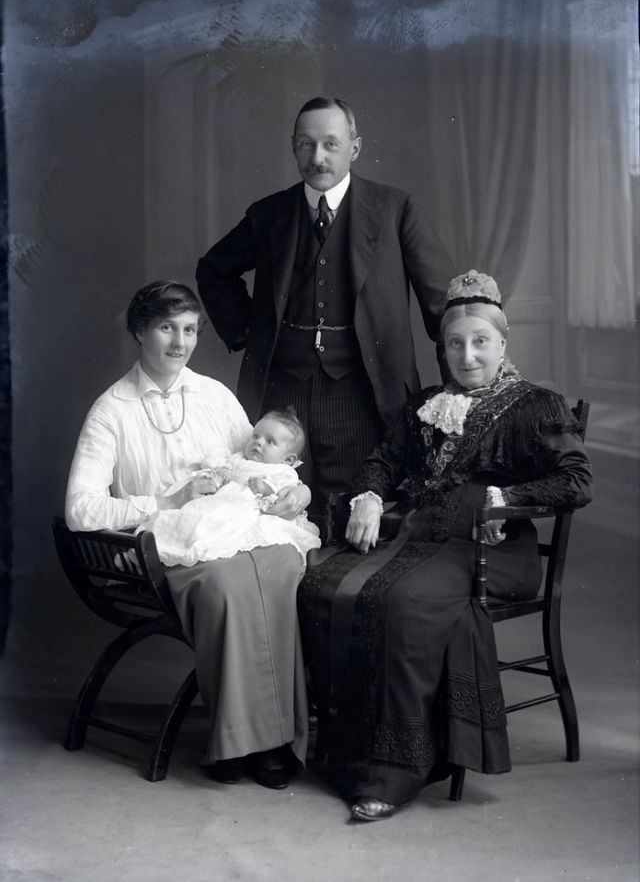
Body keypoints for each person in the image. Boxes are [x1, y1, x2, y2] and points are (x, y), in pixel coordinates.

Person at [297, 270, 593, 821]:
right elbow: (383, 462)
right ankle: (339, 752)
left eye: (481, 341)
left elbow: (576, 481)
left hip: (493, 548)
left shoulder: (538, 406)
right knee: (321, 583)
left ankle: (397, 767)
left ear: (503, 344)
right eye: (454, 343)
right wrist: (367, 495)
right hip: (420, 536)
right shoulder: (425, 405)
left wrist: (506, 496)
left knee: (402, 602)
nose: (468, 355)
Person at [65, 281, 312, 790]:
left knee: (280, 567)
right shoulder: (111, 411)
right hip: (166, 548)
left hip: (236, 528)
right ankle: (261, 742)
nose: (179, 342)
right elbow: (80, 509)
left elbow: (263, 462)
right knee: (228, 584)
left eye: (190, 330)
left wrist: (299, 496)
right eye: (166, 328)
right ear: (139, 331)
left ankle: (261, 738)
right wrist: (166, 502)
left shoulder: (213, 396)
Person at [196, 96, 455, 535]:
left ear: (354, 147)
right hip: (282, 393)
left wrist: (460, 390)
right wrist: (248, 333)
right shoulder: (269, 214)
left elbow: (442, 306)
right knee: (273, 509)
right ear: (293, 147)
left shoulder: (394, 210)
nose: (318, 157)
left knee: (348, 511)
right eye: (306, 144)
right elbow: (213, 270)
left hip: (362, 393)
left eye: (331, 144)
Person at [136, 408, 321, 567]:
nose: (258, 442)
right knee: (193, 518)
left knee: (217, 528)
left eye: (270, 441)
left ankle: (190, 551)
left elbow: (283, 493)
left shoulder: (282, 471)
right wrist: (221, 472)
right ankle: (156, 549)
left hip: (248, 508)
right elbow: (218, 466)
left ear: (288, 459)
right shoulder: (238, 458)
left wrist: (266, 488)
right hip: (222, 500)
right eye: (256, 436)